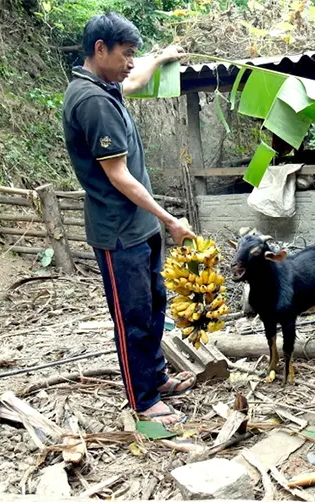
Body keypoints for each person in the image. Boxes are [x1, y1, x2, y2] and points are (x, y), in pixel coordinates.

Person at [62, 12, 196, 425]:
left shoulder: (105, 85)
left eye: (135, 55)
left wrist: (162, 56)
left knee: (155, 306)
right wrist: (170, 218)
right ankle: (142, 400)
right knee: (132, 315)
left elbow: (134, 81)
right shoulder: (94, 102)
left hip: (138, 226)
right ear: (99, 49)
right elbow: (118, 175)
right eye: (126, 54)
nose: (130, 63)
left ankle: (155, 378)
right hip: (119, 230)